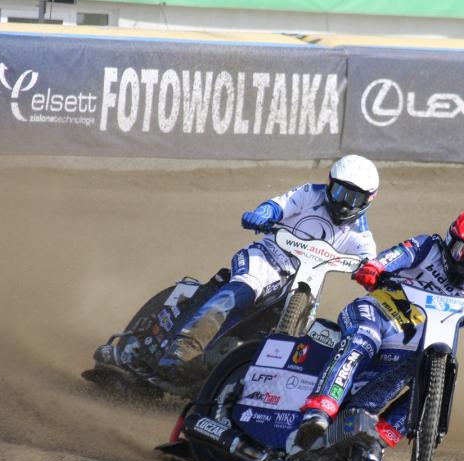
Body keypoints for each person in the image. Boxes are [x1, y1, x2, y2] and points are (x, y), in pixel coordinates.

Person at [293, 208, 464, 461]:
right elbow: (395, 256)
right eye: (461, 250)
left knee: (437, 377)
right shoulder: (426, 247)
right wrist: (375, 267)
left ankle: (374, 441)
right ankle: (318, 410)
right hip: (376, 313)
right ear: (449, 240)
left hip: (410, 351)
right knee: (365, 337)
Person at [142, 155, 380, 395]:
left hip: (304, 282)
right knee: (247, 287)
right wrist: (262, 214)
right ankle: (186, 347)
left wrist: (373, 273)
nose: (344, 203)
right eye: (340, 192)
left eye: (354, 198)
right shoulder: (309, 194)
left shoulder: (360, 234)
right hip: (266, 258)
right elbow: (278, 205)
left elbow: (371, 261)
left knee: (309, 336)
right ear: (329, 184)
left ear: (369, 199)